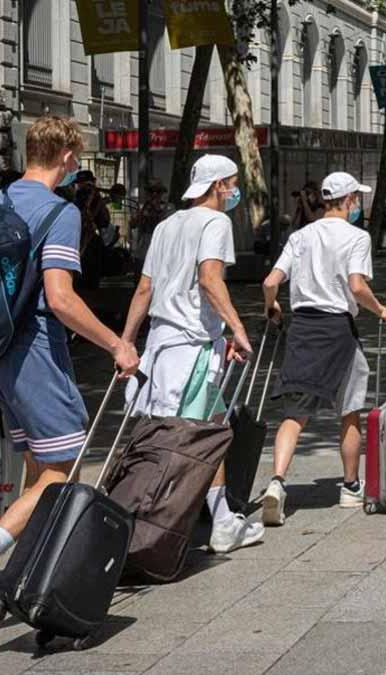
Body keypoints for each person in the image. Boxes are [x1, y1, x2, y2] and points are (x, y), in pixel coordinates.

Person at [0, 115, 141, 634]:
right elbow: (60, 297)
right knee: (63, 469)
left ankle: (23, 571)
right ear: (69, 157)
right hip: (36, 354)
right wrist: (118, 344)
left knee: (38, 464)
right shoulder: (60, 213)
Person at [120, 154, 263, 554]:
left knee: (214, 425)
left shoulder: (167, 225)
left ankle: (221, 516)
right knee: (196, 435)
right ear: (218, 186)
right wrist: (237, 327)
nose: (235, 191)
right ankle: (202, 521)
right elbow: (209, 279)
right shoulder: (216, 222)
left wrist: (126, 341)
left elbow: (145, 289)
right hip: (193, 345)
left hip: (161, 345)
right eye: (232, 184)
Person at [260, 172, 386, 526]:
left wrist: (272, 307)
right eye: (356, 200)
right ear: (349, 200)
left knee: (294, 414)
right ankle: (350, 486)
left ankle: (277, 482)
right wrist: (381, 310)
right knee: (349, 411)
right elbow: (357, 286)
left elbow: (271, 281)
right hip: (338, 330)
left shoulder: (301, 236)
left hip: (303, 327)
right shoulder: (357, 237)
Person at [74, 170, 112, 289]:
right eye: (81, 183)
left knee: (91, 271)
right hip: (81, 237)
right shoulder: (78, 196)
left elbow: (104, 220)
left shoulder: (94, 196)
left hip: (91, 238)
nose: (82, 186)